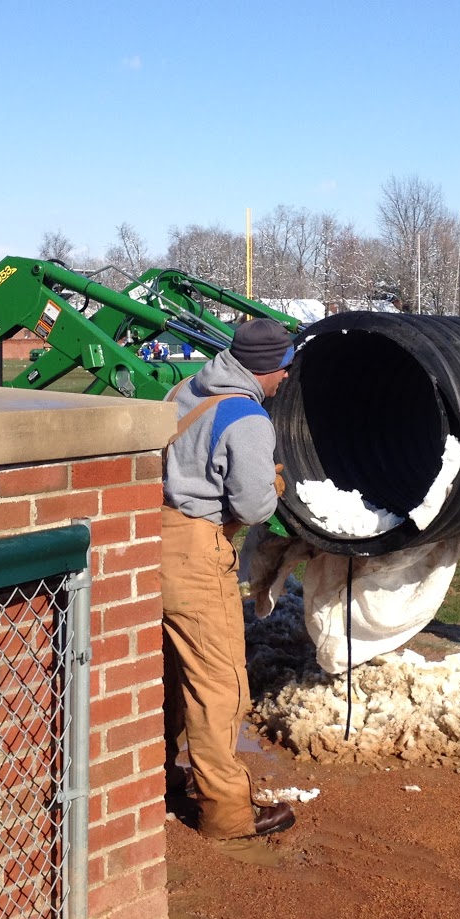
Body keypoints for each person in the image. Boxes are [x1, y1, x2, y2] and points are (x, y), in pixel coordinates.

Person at [161, 317, 297, 838]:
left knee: (169, 673)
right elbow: (254, 505)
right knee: (219, 685)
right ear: (267, 369)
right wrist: (274, 484)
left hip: (149, 539)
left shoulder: (186, 388)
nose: (286, 378)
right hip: (196, 555)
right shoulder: (246, 419)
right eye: (284, 368)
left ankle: (159, 780)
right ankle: (228, 814)